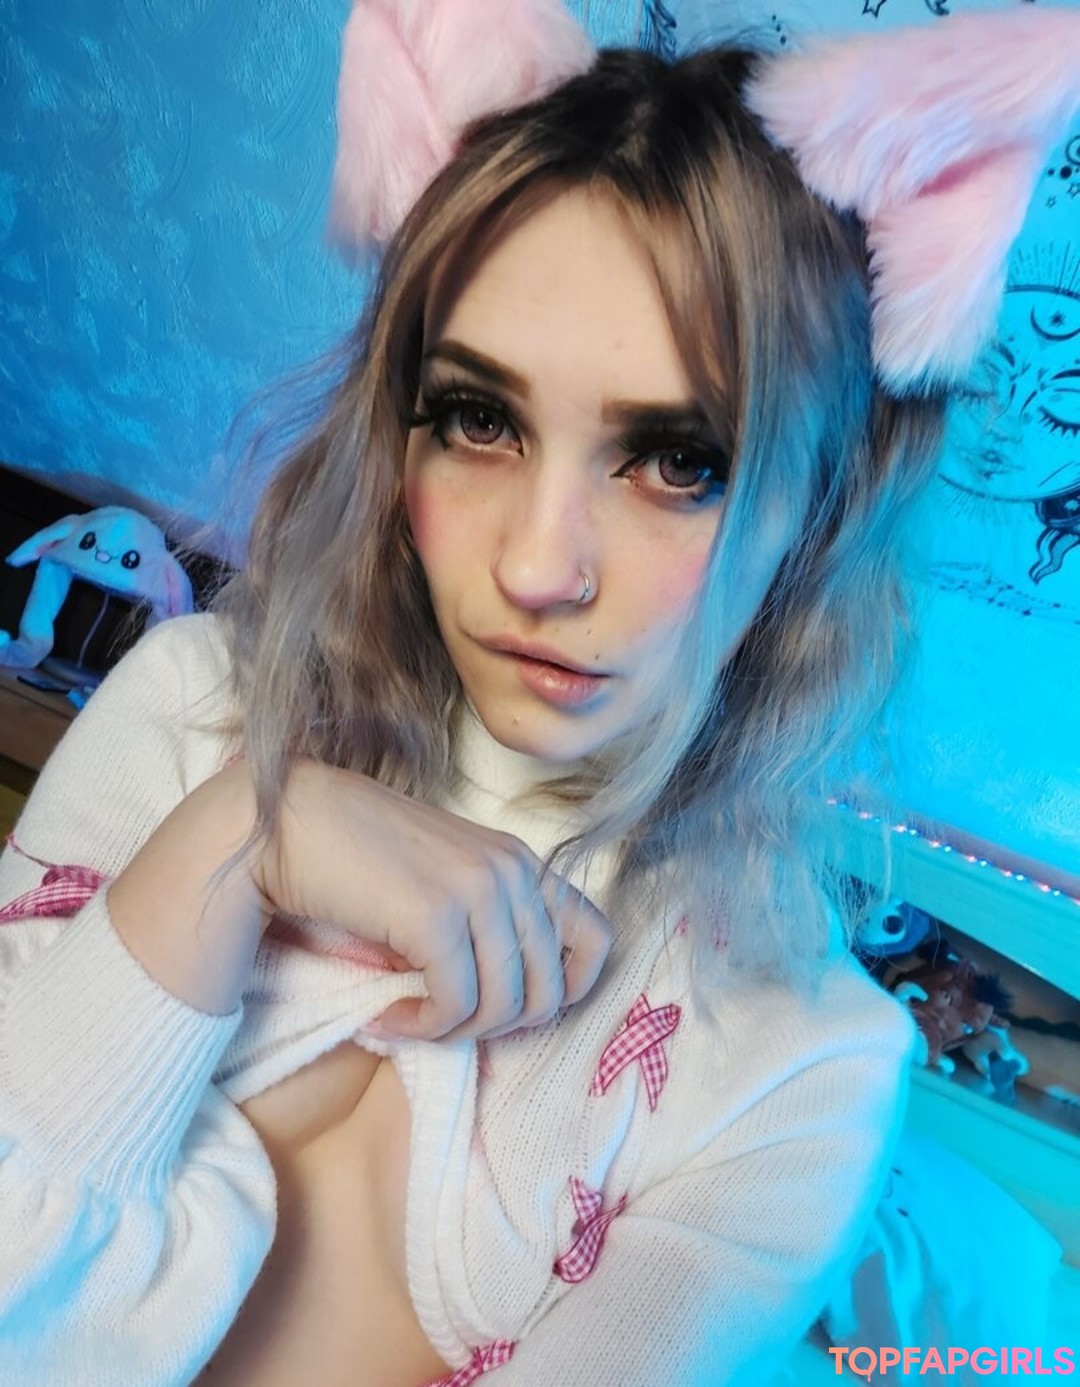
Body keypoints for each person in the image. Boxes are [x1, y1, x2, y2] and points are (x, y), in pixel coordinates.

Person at [2, 4, 1075, 1384]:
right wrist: (247, 836)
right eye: (479, 418)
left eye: (677, 461)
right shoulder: (188, 714)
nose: (534, 567)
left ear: (814, 512)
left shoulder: (799, 1069)